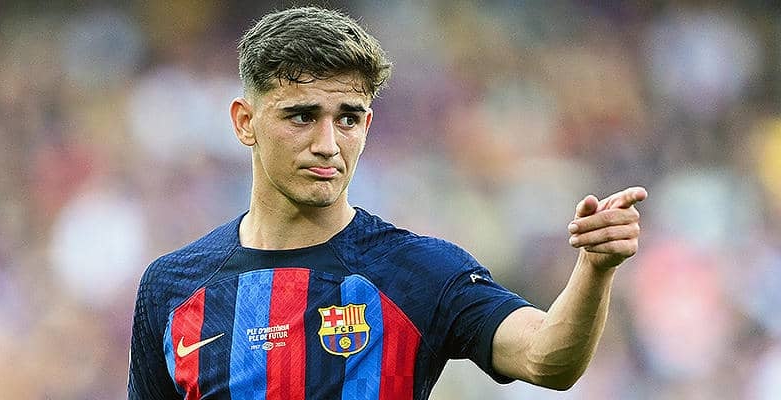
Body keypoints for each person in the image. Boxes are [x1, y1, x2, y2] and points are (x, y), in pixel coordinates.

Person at [127, 6, 647, 400]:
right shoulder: (172, 287)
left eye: (348, 118)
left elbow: (548, 359)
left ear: (368, 124)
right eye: (302, 116)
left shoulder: (417, 270)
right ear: (245, 122)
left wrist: (595, 268)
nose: (328, 144)